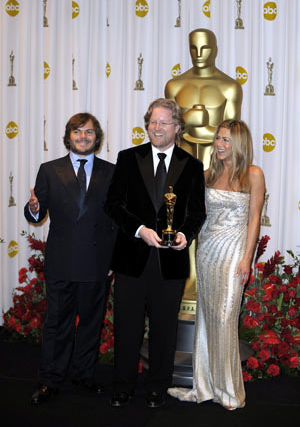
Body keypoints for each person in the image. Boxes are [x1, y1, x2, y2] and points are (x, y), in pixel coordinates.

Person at [104, 98, 206, 408]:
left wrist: (185, 235)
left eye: (163, 122)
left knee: (164, 329)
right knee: (127, 326)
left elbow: (196, 213)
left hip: (170, 263)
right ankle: (123, 385)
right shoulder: (127, 158)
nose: (156, 127)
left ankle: (157, 387)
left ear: (177, 128)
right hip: (131, 259)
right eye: (152, 121)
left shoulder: (192, 166)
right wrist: (140, 231)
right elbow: (113, 205)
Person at [168, 119, 265, 410]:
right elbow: (198, 214)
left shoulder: (253, 175)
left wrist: (248, 258)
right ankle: (205, 386)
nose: (219, 145)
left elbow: (254, 219)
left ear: (239, 143)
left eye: (225, 140)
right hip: (207, 251)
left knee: (224, 318)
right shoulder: (207, 174)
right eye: (218, 139)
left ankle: (229, 391)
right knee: (207, 320)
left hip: (234, 252)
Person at [24, 112, 117, 405]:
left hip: (96, 261)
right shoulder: (49, 170)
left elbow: (116, 220)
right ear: (68, 137)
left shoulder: (111, 172)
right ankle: (50, 380)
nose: (83, 138)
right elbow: (35, 213)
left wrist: (113, 258)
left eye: (89, 133)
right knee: (57, 324)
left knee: (91, 323)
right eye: (77, 133)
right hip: (62, 261)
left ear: (96, 138)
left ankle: (84, 376)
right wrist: (35, 208)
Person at [165, 27, 243, 303]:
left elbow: (228, 136)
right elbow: (169, 132)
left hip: (215, 165)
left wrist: (199, 125)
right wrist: (192, 127)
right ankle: (184, 283)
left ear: (216, 48)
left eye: (205, 48)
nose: (198, 54)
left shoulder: (229, 87)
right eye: (193, 48)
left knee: (211, 223)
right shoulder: (174, 86)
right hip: (182, 163)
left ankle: (208, 284)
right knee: (177, 219)